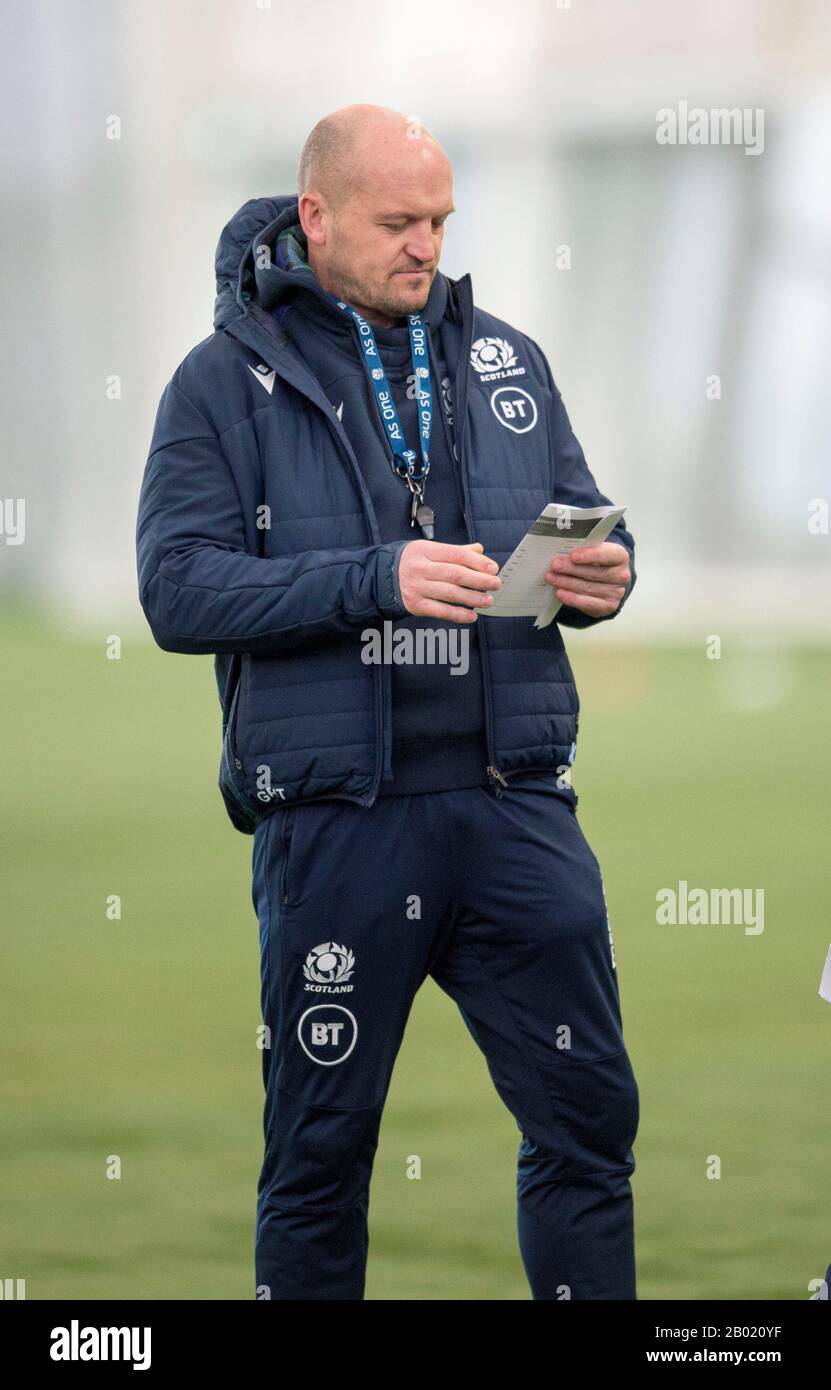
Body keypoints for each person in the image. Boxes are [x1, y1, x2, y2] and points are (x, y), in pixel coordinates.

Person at [136, 103, 639, 1301]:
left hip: (517, 808)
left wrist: (603, 580)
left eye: (442, 221)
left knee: (591, 1126)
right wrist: (377, 579)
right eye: (400, 221)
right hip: (341, 823)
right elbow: (177, 590)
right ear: (315, 217)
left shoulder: (507, 356)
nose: (429, 245)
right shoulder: (219, 383)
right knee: (318, 1159)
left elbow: (578, 512)